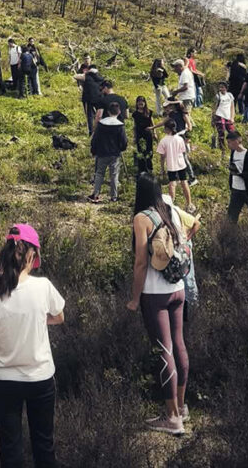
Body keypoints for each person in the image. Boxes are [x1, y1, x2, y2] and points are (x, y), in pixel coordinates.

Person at [0, 224, 65, 467]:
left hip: (5, 381)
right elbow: (59, 316)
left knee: (10, 450)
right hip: (40, 377)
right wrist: (34, 318)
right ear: (32, 255)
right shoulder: (43, 287)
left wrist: (1, 322)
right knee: (44, 446)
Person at [127, 173, 190, 435]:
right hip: (178, 288)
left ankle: (172, 418)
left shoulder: (142, 218)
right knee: (179, 345)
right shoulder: (170, 210)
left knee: (164, 351)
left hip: (155, 294)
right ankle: (182, 407)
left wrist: (134, 298)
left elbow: (141, 262)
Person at [88, 102, 127, 204]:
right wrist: (122, 148)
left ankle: (95, 194)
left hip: (102, 152)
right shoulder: (120, 125)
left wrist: (93, 149)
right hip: (115, 153)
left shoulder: (101, 124)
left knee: (99, 173)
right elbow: (123, 141)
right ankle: (114, 196)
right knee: (114, 175)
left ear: (108, 112)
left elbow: (95, 138)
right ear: (119, 112)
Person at [156, 119, 193, 211]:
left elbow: (162, 156)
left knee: (172, 184)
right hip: (181, 164)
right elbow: (183, 151)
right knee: (184, 182)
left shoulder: (163, 141)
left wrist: (162, 168)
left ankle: (171, 205)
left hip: (171, 165)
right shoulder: (180, 139)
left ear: (167, 129)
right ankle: (189, 203)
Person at [226, 131, 248, 223]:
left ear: (237, 141)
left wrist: (240, 174)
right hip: (236, 190)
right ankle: (231, 232)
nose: (228, 145)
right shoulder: (233, 153)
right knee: (231, 217)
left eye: (230, 142)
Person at [74, 64, 104, 135]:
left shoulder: (86, 76)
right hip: (99, 98)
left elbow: (75, 76)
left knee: (90, 116)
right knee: (100, 114)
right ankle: (101, 130)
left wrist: (86, 72)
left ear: (89, 69)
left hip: (88, 99)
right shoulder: (101, 77)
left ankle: (91, 131)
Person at [211, 81, 235, 158]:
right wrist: (213, 119)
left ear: (226, 88)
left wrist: (232, 117)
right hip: (219, 115)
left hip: (228, 116)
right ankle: (223, 151)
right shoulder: (218, 96)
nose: (221, 89)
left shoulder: (230, 95)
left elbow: (232, 107)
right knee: (221, 134)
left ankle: (233, 149)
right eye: (220, 87)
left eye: (222, 87)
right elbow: (214, 108)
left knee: (232, 133)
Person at [132, 96, 155, 175]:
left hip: (148, 134)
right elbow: (134, 126)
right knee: (140, 151)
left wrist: (154, 132)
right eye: (139, 101)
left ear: (145, 103)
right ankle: (142, 169)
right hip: (139, 134)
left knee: (149, 151)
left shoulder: (149, 112)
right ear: (137, 103)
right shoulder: (135, 114)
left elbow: (152, 123)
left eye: (142, 101)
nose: (140, 103)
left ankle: (149, 168)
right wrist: (134, 137)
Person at [170, 59, 195, 128]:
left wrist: (176, 91)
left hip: (187, 97)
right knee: (184, 114)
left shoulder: (185, 73)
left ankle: (189, 128)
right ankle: (189, 126)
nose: (175, 69)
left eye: (176, 67)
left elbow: (185, 87)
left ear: (180, 66)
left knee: (185, 114)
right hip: (185, 97)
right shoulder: (184, 73)